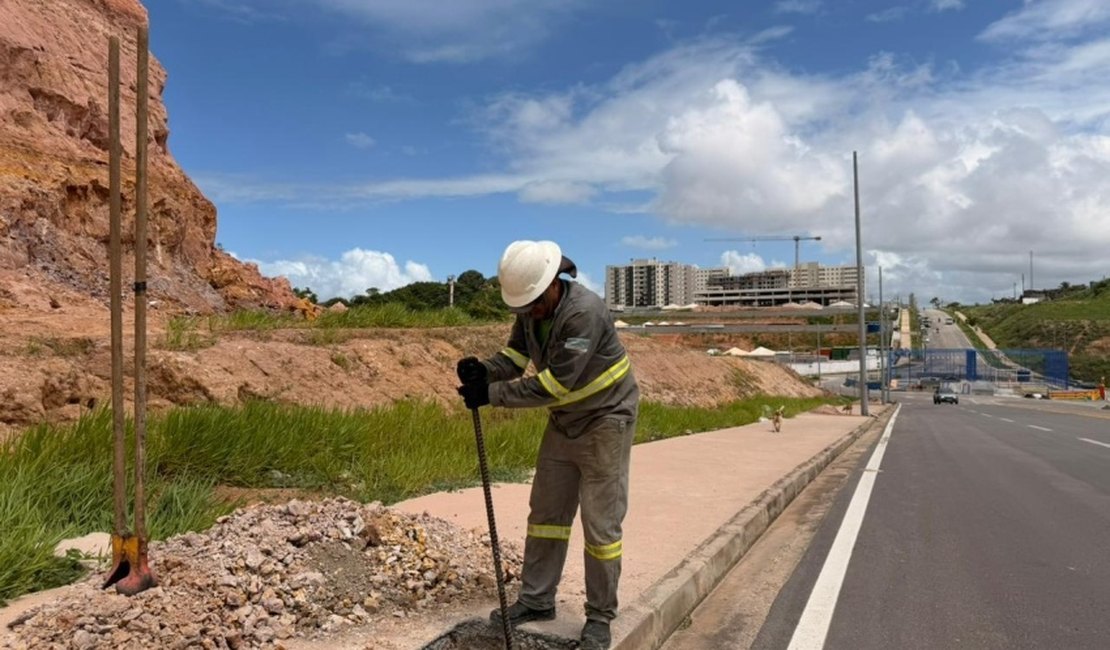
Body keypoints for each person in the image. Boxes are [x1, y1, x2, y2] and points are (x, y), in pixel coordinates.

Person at [456, 240, 639, 650]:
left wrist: (491, 395)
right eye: (523, 307)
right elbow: (515, 358)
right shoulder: (531, 309)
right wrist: (483, 371)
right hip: (565, 420)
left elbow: (556, 385)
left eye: (535, 303)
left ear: (554, 282)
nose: (530, 311)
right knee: (546, 514)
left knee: (601, 526)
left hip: (606, 419)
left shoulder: (584, 313)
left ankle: (599, 617)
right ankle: (537, 600)